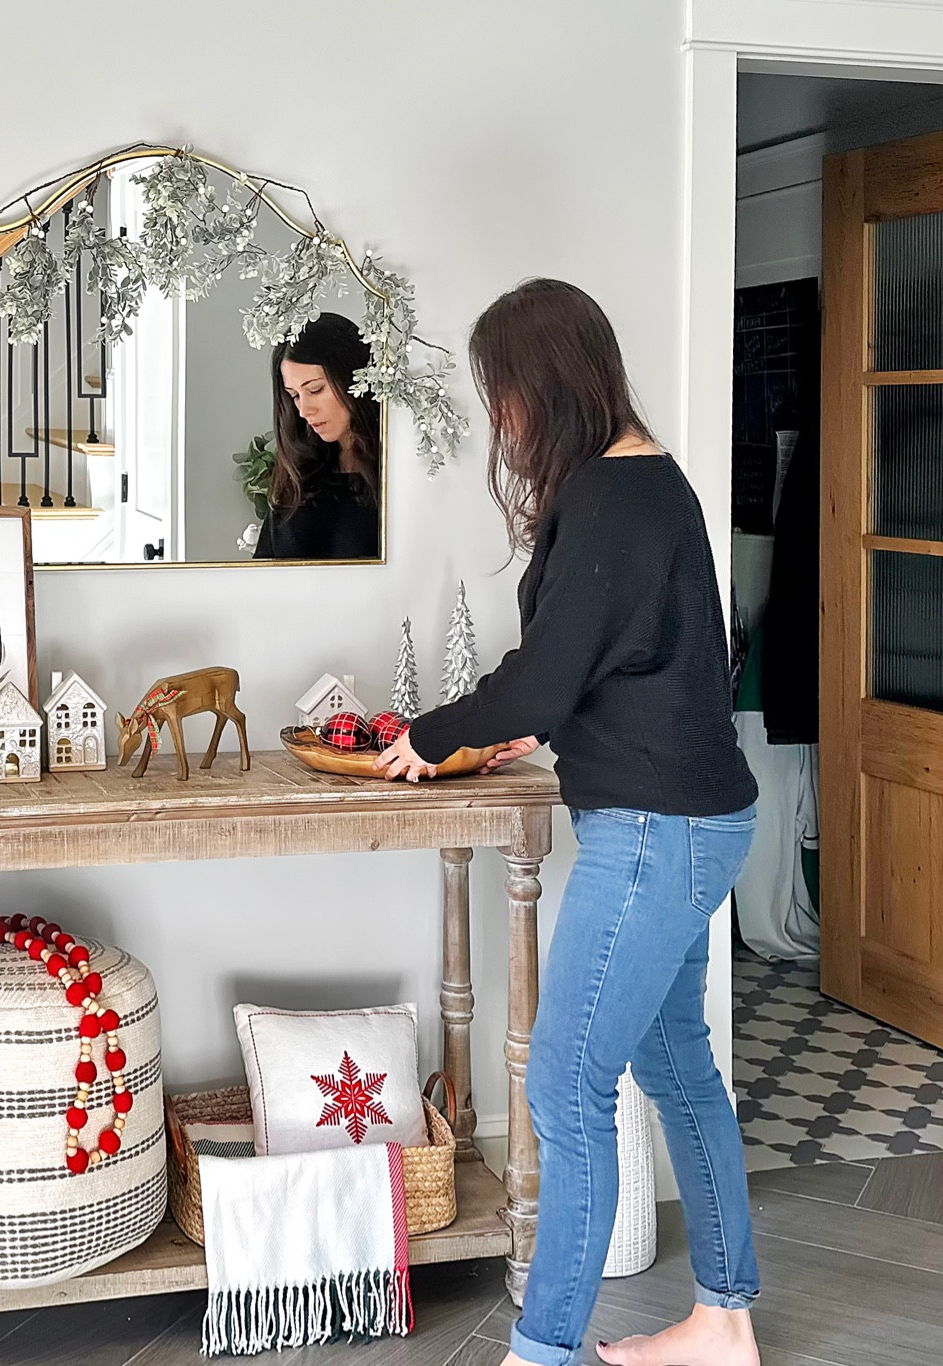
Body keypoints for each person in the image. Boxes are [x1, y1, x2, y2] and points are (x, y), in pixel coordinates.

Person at [375, 279, 762, 1366]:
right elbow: (627, 666)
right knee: (676, 1062)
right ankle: (722, 1322)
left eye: (502, 395)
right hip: (696, 818)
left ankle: (540, 1353)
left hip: (652, 834)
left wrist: (438, 731)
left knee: (563, 1083)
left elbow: (545, 676)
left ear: (538, 387)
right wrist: (516, 730)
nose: (500, 420)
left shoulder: (602, 495)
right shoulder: (655, 482)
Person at [254, 311, 381, 560]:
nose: (304, 410)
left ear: (353, 377)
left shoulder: (396, 470)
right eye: (295, 395)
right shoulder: (297, 470)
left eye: (315, 389)